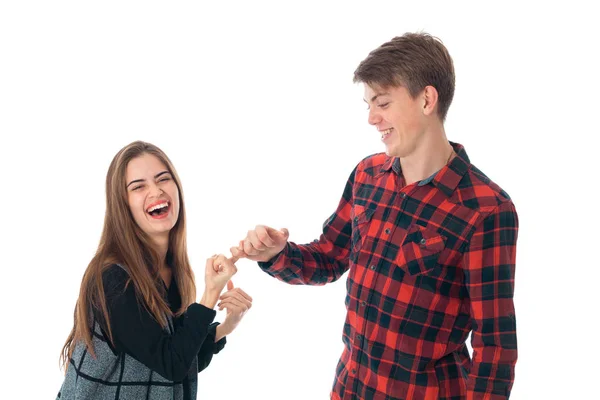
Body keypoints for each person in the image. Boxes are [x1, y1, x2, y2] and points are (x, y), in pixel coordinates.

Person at [231, 32, 518, 399]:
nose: (371, 118)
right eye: (367, 104)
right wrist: (276, 255)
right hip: (350, 389)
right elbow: (330, 258)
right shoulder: (367, 175)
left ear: (427, 99)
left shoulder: (486, 209)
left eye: (382, 103)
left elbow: (495, 346)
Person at [57, 141, 252, 400]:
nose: (156, 190)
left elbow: (178, 365)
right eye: (138, 186)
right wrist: (210, 293)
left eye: (163, 179)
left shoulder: (169, 271)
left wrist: (226, 326)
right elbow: (171, 363)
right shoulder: (113, 279)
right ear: (122, 205)